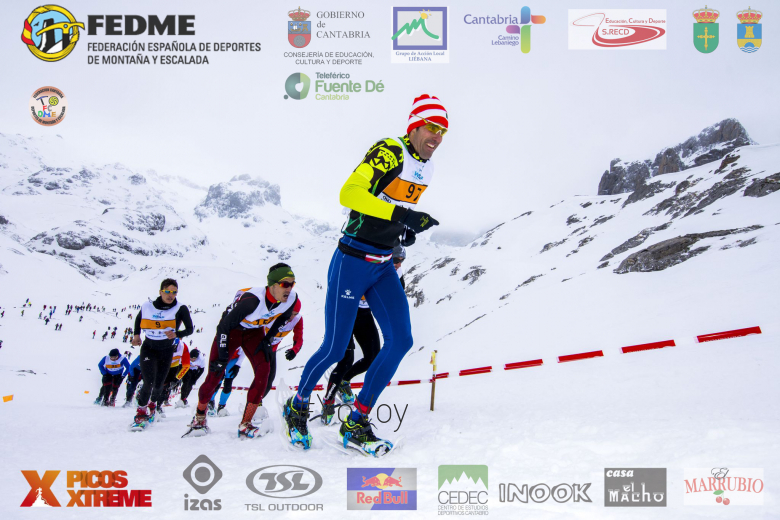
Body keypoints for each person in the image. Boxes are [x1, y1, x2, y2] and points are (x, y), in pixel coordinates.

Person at [283, 94, 446, 456]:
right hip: (353, 260)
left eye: (443, 131)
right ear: (415, 126)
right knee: (335, 347)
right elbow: (351, 193)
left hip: (384, 264)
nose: (437, 136)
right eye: (432, 127)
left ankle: (356, 421)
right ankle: (296, 406)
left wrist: (401, 230)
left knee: (401, 340)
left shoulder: (427, 168)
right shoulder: (390, 151)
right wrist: (402, 217)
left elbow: (389, 207)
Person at [183, 263, 299, 439]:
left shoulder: (292, 299)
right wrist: (222, 355)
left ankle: (246, 424)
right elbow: (223, 326)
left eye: (292, 283)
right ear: (272, 285)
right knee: (215, 374)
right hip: (231, 330)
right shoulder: (252, 301)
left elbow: (283, 318)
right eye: (285, 284)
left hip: (254, 331)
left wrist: (268, 340)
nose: (289, 289)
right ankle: (199, 417)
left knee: (264, 371)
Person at [319, 245, 406, 425]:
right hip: (346, 311)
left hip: (364, 314)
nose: (398, 264)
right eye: (396, 260)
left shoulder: (396, 275)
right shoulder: (367, 266)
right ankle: (327, 402)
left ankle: (344, 382)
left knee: (372, 357)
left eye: (401, 261)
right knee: (345, 359)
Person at [129, 278, 194, 431]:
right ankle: (140, 413)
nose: (170, 295)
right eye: (167, 291)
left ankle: (152, 406)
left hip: (166, 350)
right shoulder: (148, 306)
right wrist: (136, 335)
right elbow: (139, 318)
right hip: (149, 348)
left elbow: (190, 329)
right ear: (160, 292)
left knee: (159, 385)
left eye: (174, 292)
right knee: (148, 382)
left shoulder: (180, 308)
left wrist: (177, 334)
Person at [154, 338, 191, 418]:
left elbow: (186, 365)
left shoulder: (183, 347)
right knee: (157, 385)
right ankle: (150, 403)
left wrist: (178, 378)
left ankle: (158, 406)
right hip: (160, 365)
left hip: (173, 368)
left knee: (166, 387)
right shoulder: (161, 344)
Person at [208, 347, 245, 417]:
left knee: (228, 382)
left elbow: (244, 351)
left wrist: (238, 365)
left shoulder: (242, 337)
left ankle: (221, 406)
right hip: (220, 358)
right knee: (217, 381)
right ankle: (210, 402)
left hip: (233, 359)